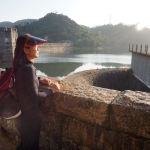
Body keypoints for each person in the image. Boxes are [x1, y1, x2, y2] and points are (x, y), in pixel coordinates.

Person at [13, 33, 60, 150]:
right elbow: (35, 97)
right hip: (31, 116)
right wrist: (52, 91)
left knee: (25, 144)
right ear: (26, 50)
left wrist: (38, 80)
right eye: (35, 46)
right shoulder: (29, 68)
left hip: (22, 113)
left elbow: (23, 81)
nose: (38, 49)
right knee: (31, 145)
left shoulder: (19, 65)